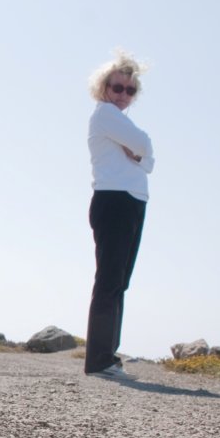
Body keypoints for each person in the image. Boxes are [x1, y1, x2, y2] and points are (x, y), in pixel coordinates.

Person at [84, 50, 154, 380]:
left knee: (119, 282)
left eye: (130, 90)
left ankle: (107, 356)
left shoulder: (120, 121)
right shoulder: (105, 115)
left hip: (132, 201)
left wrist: (141, 154)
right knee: (110, 280)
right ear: (104, 88)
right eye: (117, 88)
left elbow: (150, 160)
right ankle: (98, 360)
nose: (123, 95)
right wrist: (139, 151)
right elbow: (144, 144)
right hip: (115, 201)